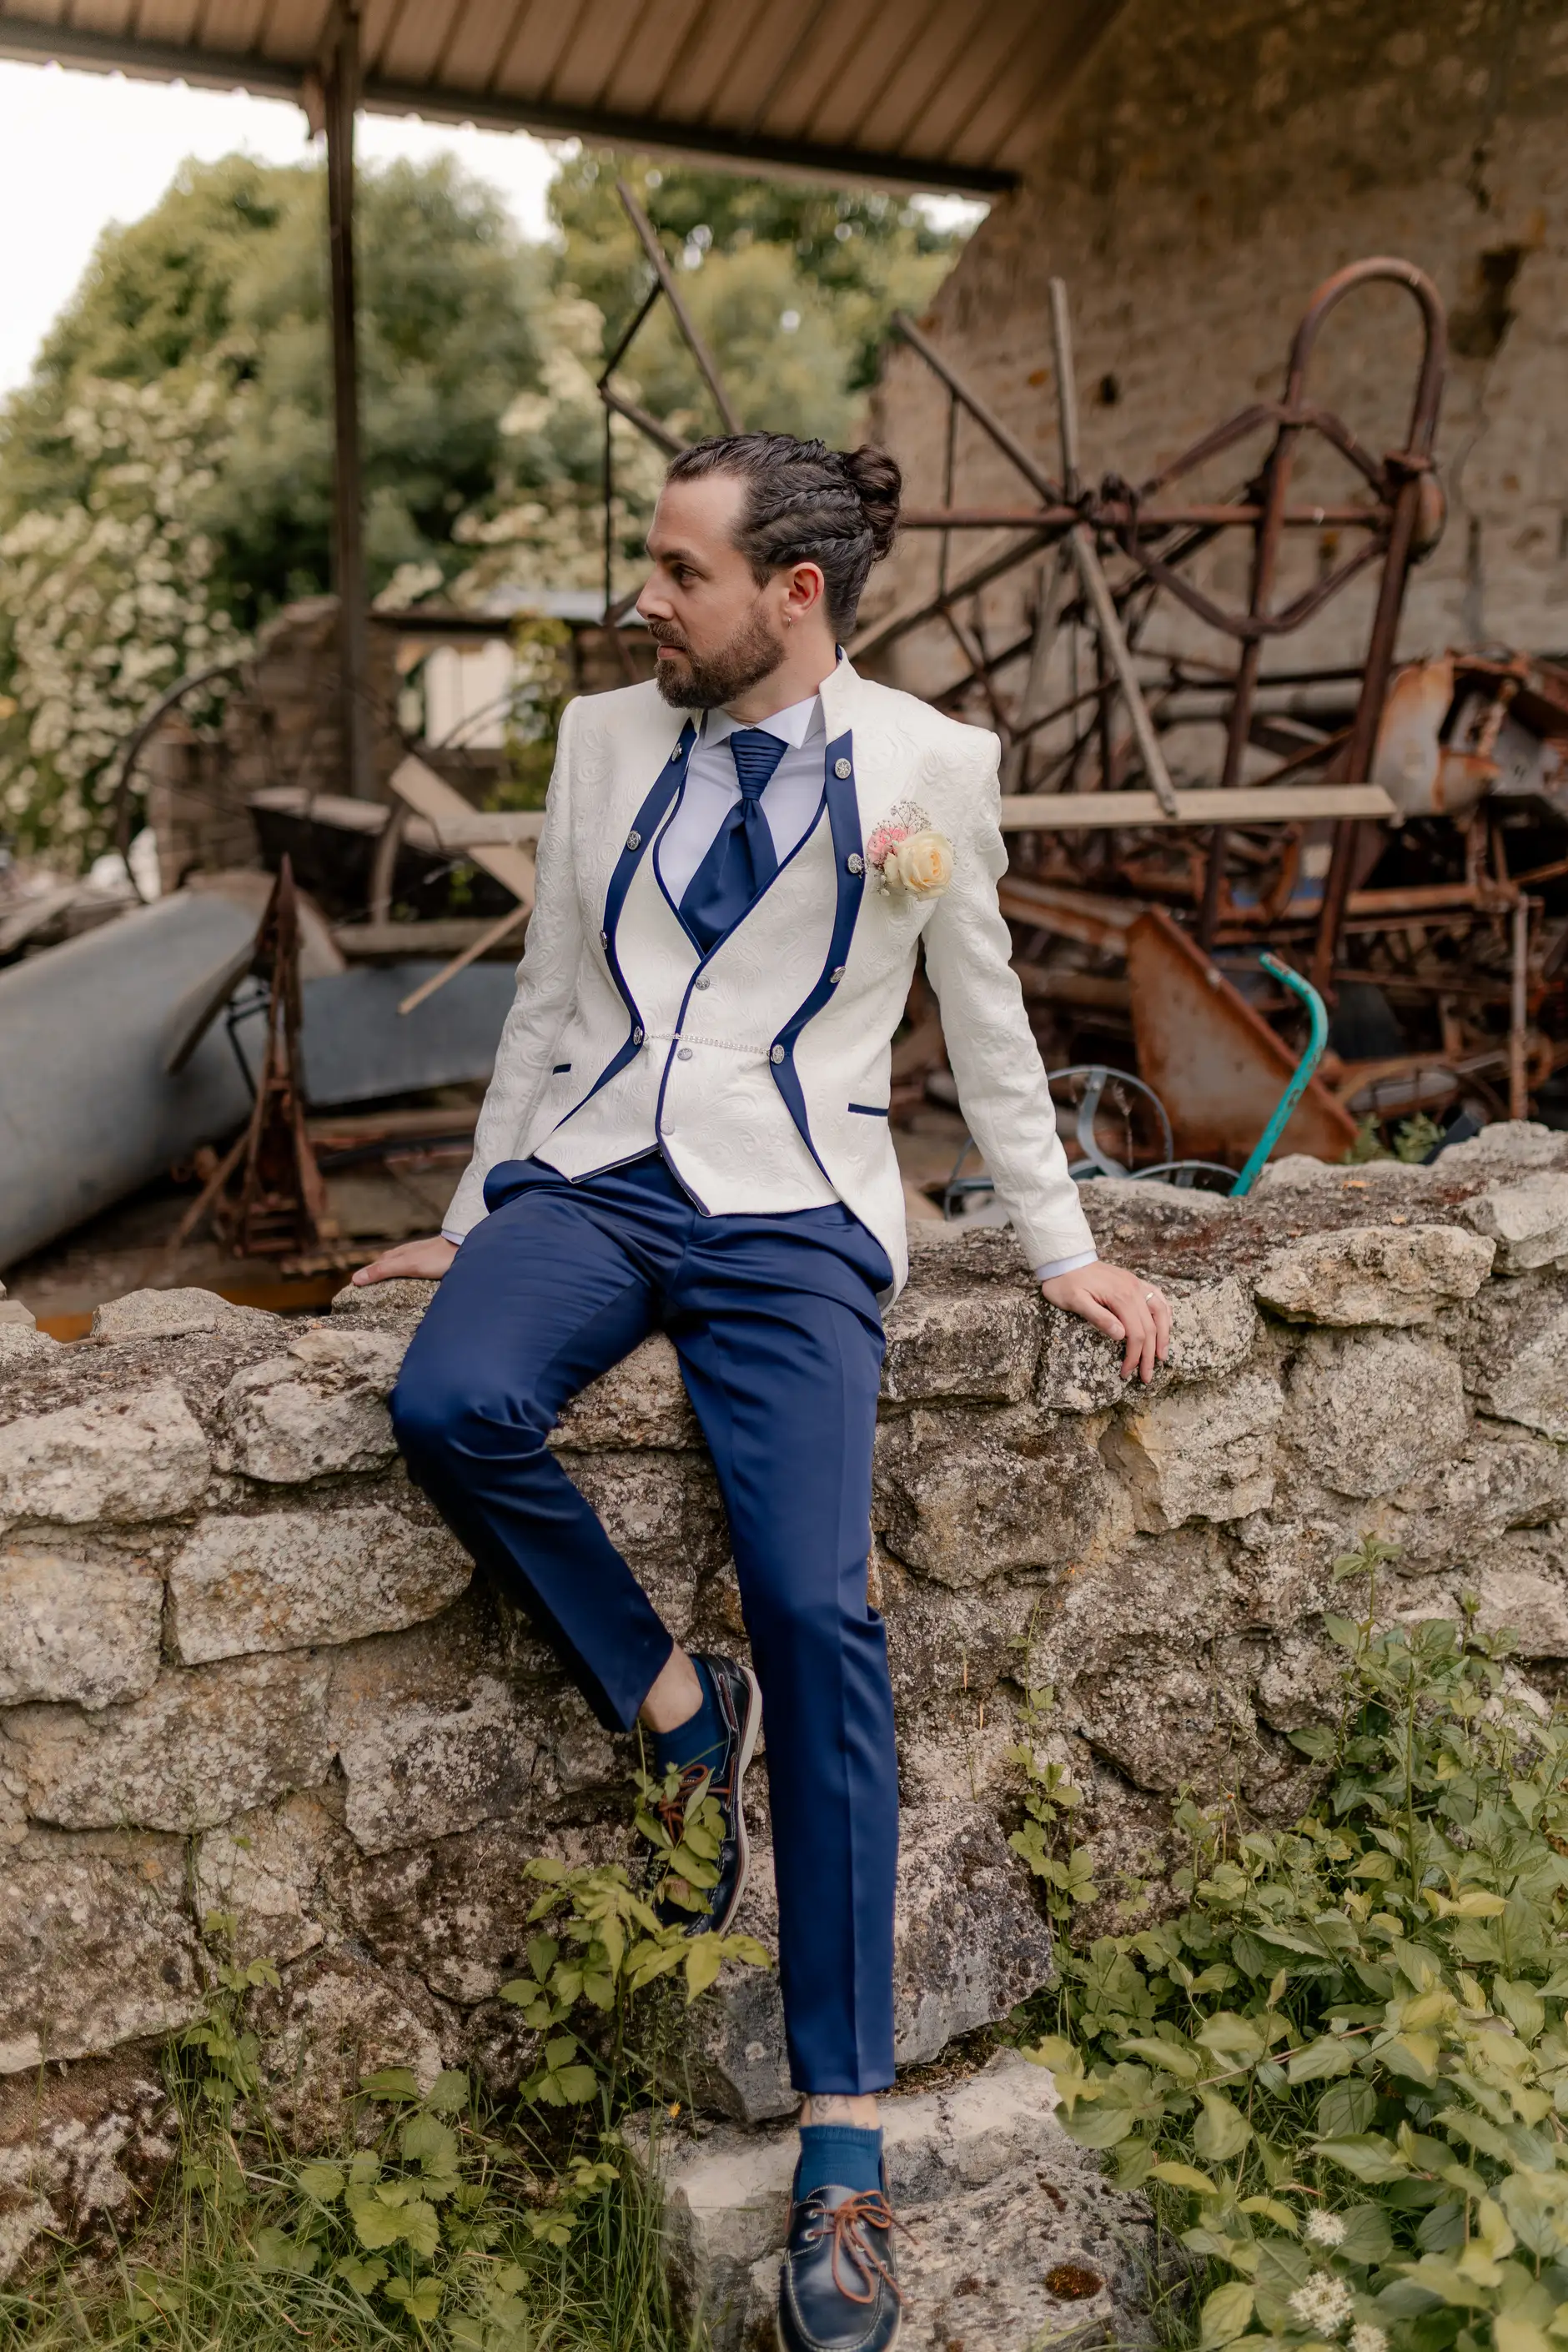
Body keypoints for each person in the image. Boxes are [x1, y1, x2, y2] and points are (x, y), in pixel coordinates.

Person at [356, 432, 1171, 2352]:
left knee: (819, 1609)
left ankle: (842, 2143)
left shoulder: (932, 774)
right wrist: (478, 1213)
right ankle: (665, 1699)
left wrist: (1060, 1249)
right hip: (600, 1174)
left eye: (677, 571)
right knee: (447, 1400)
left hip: (799, 1205)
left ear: (792, 595)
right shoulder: (598, 744)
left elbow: (986, 1026)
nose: (646, 599)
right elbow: (557, 993)